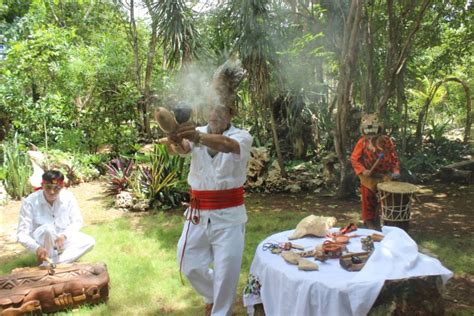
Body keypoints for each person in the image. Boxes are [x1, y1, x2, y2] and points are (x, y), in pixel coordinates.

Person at [162, 99, 252, 315]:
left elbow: (226, 145)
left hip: (229, 216)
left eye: (221, 110)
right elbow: (181, 149)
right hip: (197, 213)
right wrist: (175, 138)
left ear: (231, 114)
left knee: (226, 271)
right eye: (212, 109)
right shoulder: (197, 131)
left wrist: (197, 137)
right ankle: (214, 295)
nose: (215, 114)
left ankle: (220, 310)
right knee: (188, 263)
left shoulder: (242, 136)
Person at [17, 170, 95, 265]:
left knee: (89, 242)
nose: (52, 192)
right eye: (48, 187)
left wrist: (64, 235)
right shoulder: (30, 202)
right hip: (41, 241)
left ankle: (50, 263)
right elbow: (22, 234)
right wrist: (36, 248)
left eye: (56, 188)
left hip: (62, 239)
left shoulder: (68, 197)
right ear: (42, 186)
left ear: (62, 187)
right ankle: (50, 260)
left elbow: (77, 221)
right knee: (47, 229)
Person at [351, 113, 400, 230]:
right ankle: (369, 222)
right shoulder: (362, 142)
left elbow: (394, 157)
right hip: (369, 177)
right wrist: (363, 170)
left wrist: (395, 170)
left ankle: (384, 222)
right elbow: (354, 158)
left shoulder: (387, 141)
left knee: (386, 199)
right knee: (368, 199)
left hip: (385, 176)